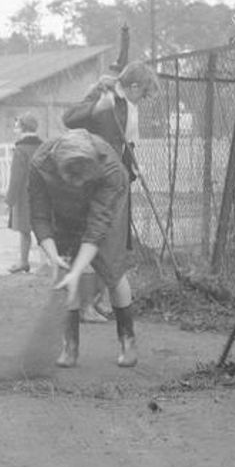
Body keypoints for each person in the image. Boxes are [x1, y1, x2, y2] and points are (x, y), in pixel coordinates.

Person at [28, 128, 137, 368]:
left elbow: (97, 227)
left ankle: (127, 343)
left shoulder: (110, 171)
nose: (77, 184)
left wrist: (79, 271)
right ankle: (70, 347)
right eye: (72, 179)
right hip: (63, 210)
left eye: (81, 180)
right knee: (65, 270)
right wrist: (55, 257)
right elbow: (39, 215)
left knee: (113, 270)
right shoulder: (39, 164)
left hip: (104, 210)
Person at [62, 60, 160, 323]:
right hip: (94, 179)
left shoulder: (129, 104)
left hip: (117, 180)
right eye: (143, 92)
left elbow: (126, 143)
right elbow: (69, 118)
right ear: (135, 85)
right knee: (94, 237)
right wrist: (96, 107)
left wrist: (132, 171)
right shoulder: (104, 94)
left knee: (114, 242)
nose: (143, 99)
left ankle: (95, 301)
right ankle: (84, 306)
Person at [6, 112, 41, 274]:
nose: (15, 128)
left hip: (24, 196)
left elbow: (16, 177)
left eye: (17, 125)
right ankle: (46, 262)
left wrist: (10, 200)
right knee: (43, 229)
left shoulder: (20, 149)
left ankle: (24, 261)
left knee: (25, 231)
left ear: (23, 127)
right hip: (41, 193)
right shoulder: (43, 146)